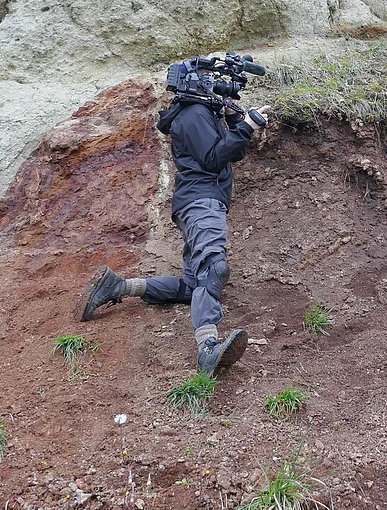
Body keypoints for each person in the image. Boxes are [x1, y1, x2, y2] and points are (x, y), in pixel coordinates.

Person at [80, 68, 271, 376]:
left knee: (193, 285)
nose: (216, 86)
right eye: (210, 80)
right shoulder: (195, 114)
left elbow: (229, 153)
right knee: (214, 269)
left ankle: (119, 286)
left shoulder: (197, 113)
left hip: (198, 202)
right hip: (202, 202)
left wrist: (237, 120)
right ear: (196, 83)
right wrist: (246, 126)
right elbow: (214, 159)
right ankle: (207, 348)